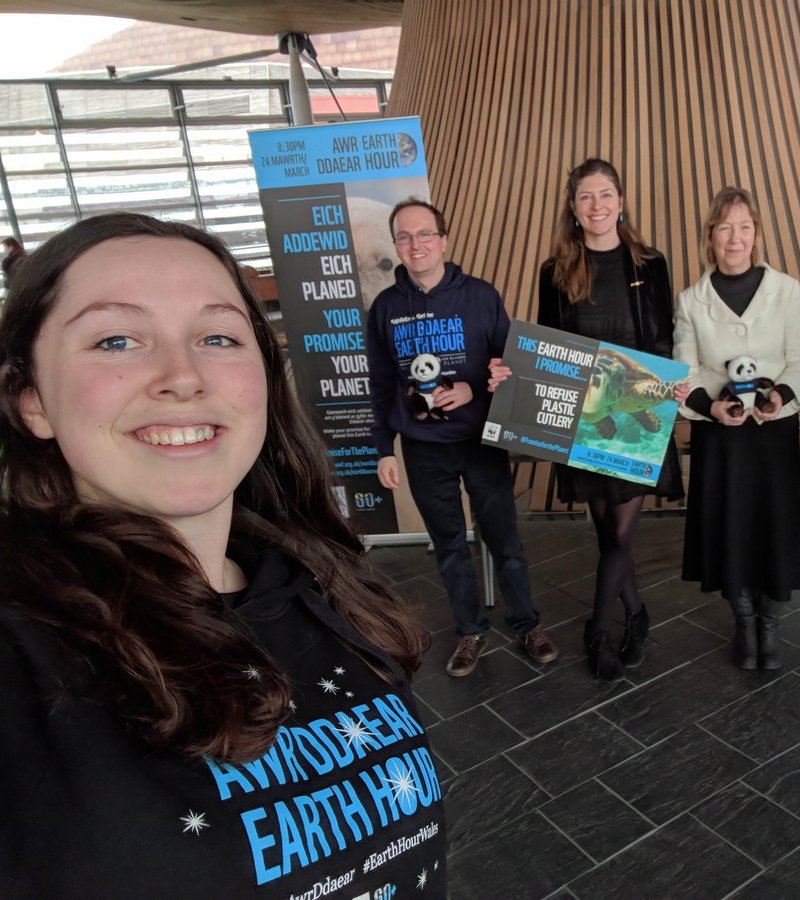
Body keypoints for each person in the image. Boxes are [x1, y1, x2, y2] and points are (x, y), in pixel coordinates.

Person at [0, 213, 447, 895]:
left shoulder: (324, 583)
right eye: (116, 340)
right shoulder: (22, 653)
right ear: (30, 398)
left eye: (217, 337)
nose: (182, 376)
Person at [366, 198, 558, 677]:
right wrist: (383, 448)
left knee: (505, 542)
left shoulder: (480, 296)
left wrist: (474, 386)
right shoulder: (386, 307)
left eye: (424, 234)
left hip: (480, 442)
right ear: (397, 245)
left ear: (443, 240)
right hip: (423, 448)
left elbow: (511, 365)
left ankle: (526, 623)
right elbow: (381, 382)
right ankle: (470, 631)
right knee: (449, 546)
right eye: (405, 237)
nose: (416, 245)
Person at [515, 158, 683, 682]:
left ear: (622, 201)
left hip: (638, 410)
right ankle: (636, 614)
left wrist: (664, 391)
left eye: (606, 194)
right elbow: (548, 347)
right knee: (611, 530)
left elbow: (662, 339)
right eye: (586, 197)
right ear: (572, 207)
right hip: (583, 418)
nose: (597, 206)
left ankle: (597, 629)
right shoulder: (554, 271)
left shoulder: (650, 263)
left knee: (620, 533)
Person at [674, 186, 800, 670]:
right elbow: (686, 372)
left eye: (744, 226)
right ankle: (741, 618)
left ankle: (770, 622)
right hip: (721, 436)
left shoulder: (786, 289)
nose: (734, 237)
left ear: (756, 233)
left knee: (773, 527)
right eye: (724, 227)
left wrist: (781, 394)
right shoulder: (691, 300)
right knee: (728, 528)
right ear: (710, 237)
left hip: (772, 432)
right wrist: (710, 407)